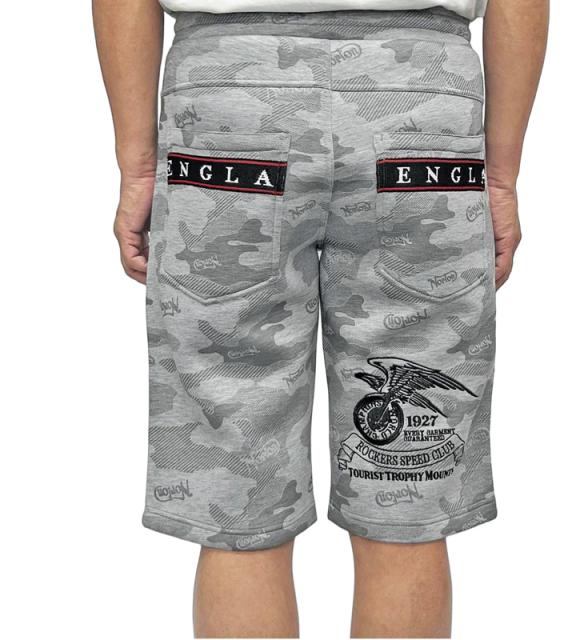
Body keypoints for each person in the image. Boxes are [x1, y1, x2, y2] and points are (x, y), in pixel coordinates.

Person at [93, 0, 548, 636]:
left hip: (228, 108)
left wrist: (139, 166)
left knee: (238, 485)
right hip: (421, 106)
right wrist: (498, 177)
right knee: (405, 472)